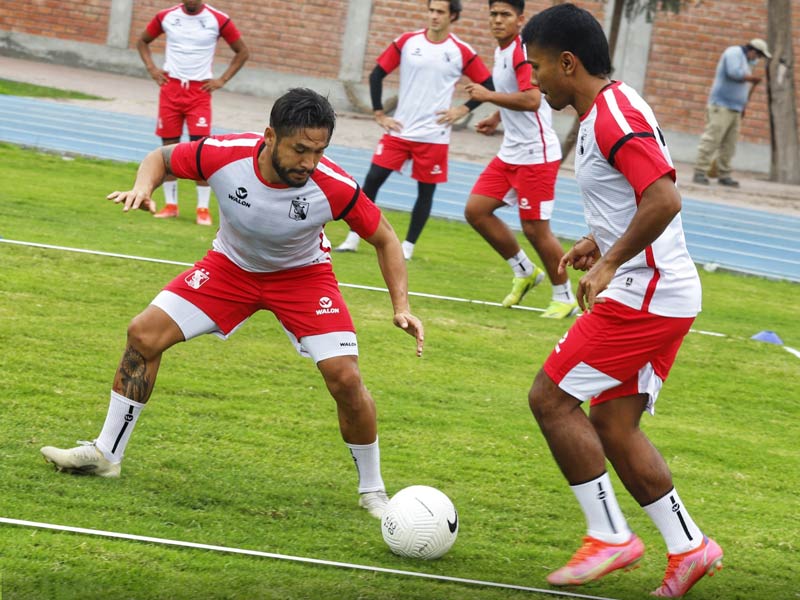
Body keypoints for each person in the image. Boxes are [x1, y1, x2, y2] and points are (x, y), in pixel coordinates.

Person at [40, 88, 425, 520]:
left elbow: (385, 238)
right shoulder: (225, 153)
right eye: (300, 149)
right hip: (229, 269)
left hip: (303, 278)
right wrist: (142, 187)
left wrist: (401, 306)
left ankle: (373, 492)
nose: (309, 162)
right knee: (143, 334)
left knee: (345, 379)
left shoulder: (332, 185)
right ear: (269, 137)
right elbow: (162, 159)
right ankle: (105, 454)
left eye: (319, 151)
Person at [522, 5, 722, 597]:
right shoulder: (605, 112)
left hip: (648, 293)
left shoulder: (611, 116)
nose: (533, 80)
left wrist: (611, 261)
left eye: (537, 68)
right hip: (656, 288)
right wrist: (598, 241)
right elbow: (637, 195)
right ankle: (691, 547)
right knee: (613, 423)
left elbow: (663, 197)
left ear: (568, 62)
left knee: (550, 399)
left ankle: (609, 534)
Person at [334, 0, 493, 261]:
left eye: (440, 12)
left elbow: (488, 84)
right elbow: (377, 74)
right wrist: (379, 113)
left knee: (425, 192)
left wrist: (462, 110)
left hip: (434, 136)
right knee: (372, 179)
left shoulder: (461, 51)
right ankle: (353, 237)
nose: (434, 16)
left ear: (452, 16)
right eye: (431, 10)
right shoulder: (408, 42)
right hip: (399, 131)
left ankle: (407, 247)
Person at [463, 0, 577, 318]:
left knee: (535, 229)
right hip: (511, 150)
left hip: (536, 155)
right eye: (494, 15)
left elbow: (531, 98)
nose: (498, 20)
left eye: (505, 15)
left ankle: (564, 295)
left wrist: (487, 97)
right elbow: (520, 94)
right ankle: (525, 271)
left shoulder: (521, 50)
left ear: (520, 19)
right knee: (476, 211)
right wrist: (497, 117)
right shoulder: (503, 50)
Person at [137, 0, 250, 225]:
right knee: (168, 149)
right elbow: (142, 41)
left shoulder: (218, 19)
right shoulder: (166, 16)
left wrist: (222, 80)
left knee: (201, 151)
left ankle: (202, 209)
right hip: (171, 88)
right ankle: (171, 205)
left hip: (199, 91)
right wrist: (151, 68)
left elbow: (242, 51)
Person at [693, 38, 771, 187]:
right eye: (759, 56)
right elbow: (733, 73)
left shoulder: (747, 62)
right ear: (753, 51)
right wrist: (752, 79)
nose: (758, 59)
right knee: (712, 139)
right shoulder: (734, 53)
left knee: (729, 144)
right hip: (721, 106)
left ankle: (724, 174)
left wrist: (742, 107)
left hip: (735, 108)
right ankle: (700, 171)